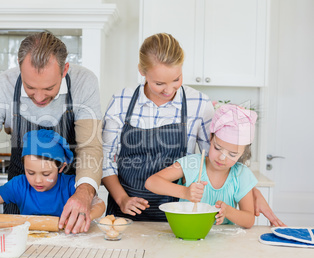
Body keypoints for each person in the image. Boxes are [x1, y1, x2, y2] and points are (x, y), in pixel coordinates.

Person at [102, 33, 285, 226]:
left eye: (176, 79)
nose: (169, 90)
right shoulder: (122, 100)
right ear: (142, 71)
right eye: (159, 83)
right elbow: (105, 159)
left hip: (178, 213)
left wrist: (251, 190)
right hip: (125, 213)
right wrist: (122, 199)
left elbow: (215, 160)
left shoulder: (198, 103)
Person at [0, 32, 103, 234]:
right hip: (21, 195)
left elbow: (90, 146)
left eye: (48, 88)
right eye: (30, 87)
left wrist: (84, 193)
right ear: (20, 68)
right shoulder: (2, 86)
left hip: (71, 191)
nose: (39, 97)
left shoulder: (83, 82)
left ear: (65, 70)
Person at [146, 104, 259, 228]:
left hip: (223, 241)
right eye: (217, 148)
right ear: (211, 138)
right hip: (186, 234)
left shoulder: (241, 174)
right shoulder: (192, 164)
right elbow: (151, 182)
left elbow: (249, 220)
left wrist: (228, 211)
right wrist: (185, 192)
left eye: (232, 154)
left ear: (243, 153)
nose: (222, 158)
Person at [0, 129, 105, 224]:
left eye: (46, 174)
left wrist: (83, 217)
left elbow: (100, 205)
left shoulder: (71, 185)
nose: (37, 180)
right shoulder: (18, 185)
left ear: (61, 167)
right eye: (30, 172)